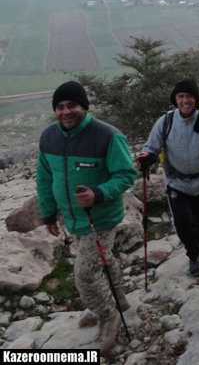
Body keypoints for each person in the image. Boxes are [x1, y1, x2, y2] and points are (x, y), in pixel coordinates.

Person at [36, 81, 136, 353]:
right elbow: (44, 179)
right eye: (60, 107)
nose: (66, 111)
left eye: (72, 106)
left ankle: (108, 317)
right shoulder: (48, 138)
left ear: (84, 107)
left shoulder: (107, 135)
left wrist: (99, 193)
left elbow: (126, 174)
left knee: (85, 275)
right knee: (104, 260)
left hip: (101, 218)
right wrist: (48, 215)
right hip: (72, 219)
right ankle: (118, 300)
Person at [137, 79, 199, 276]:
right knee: (183, 224)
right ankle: (194, 257)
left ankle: (196, 251)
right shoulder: (166, 122)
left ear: (196, 99)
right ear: (175, 99)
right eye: (181, 96)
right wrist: (147, 157)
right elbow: (151, 147)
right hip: (176, 183)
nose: (185, 100)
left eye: (189, 96)